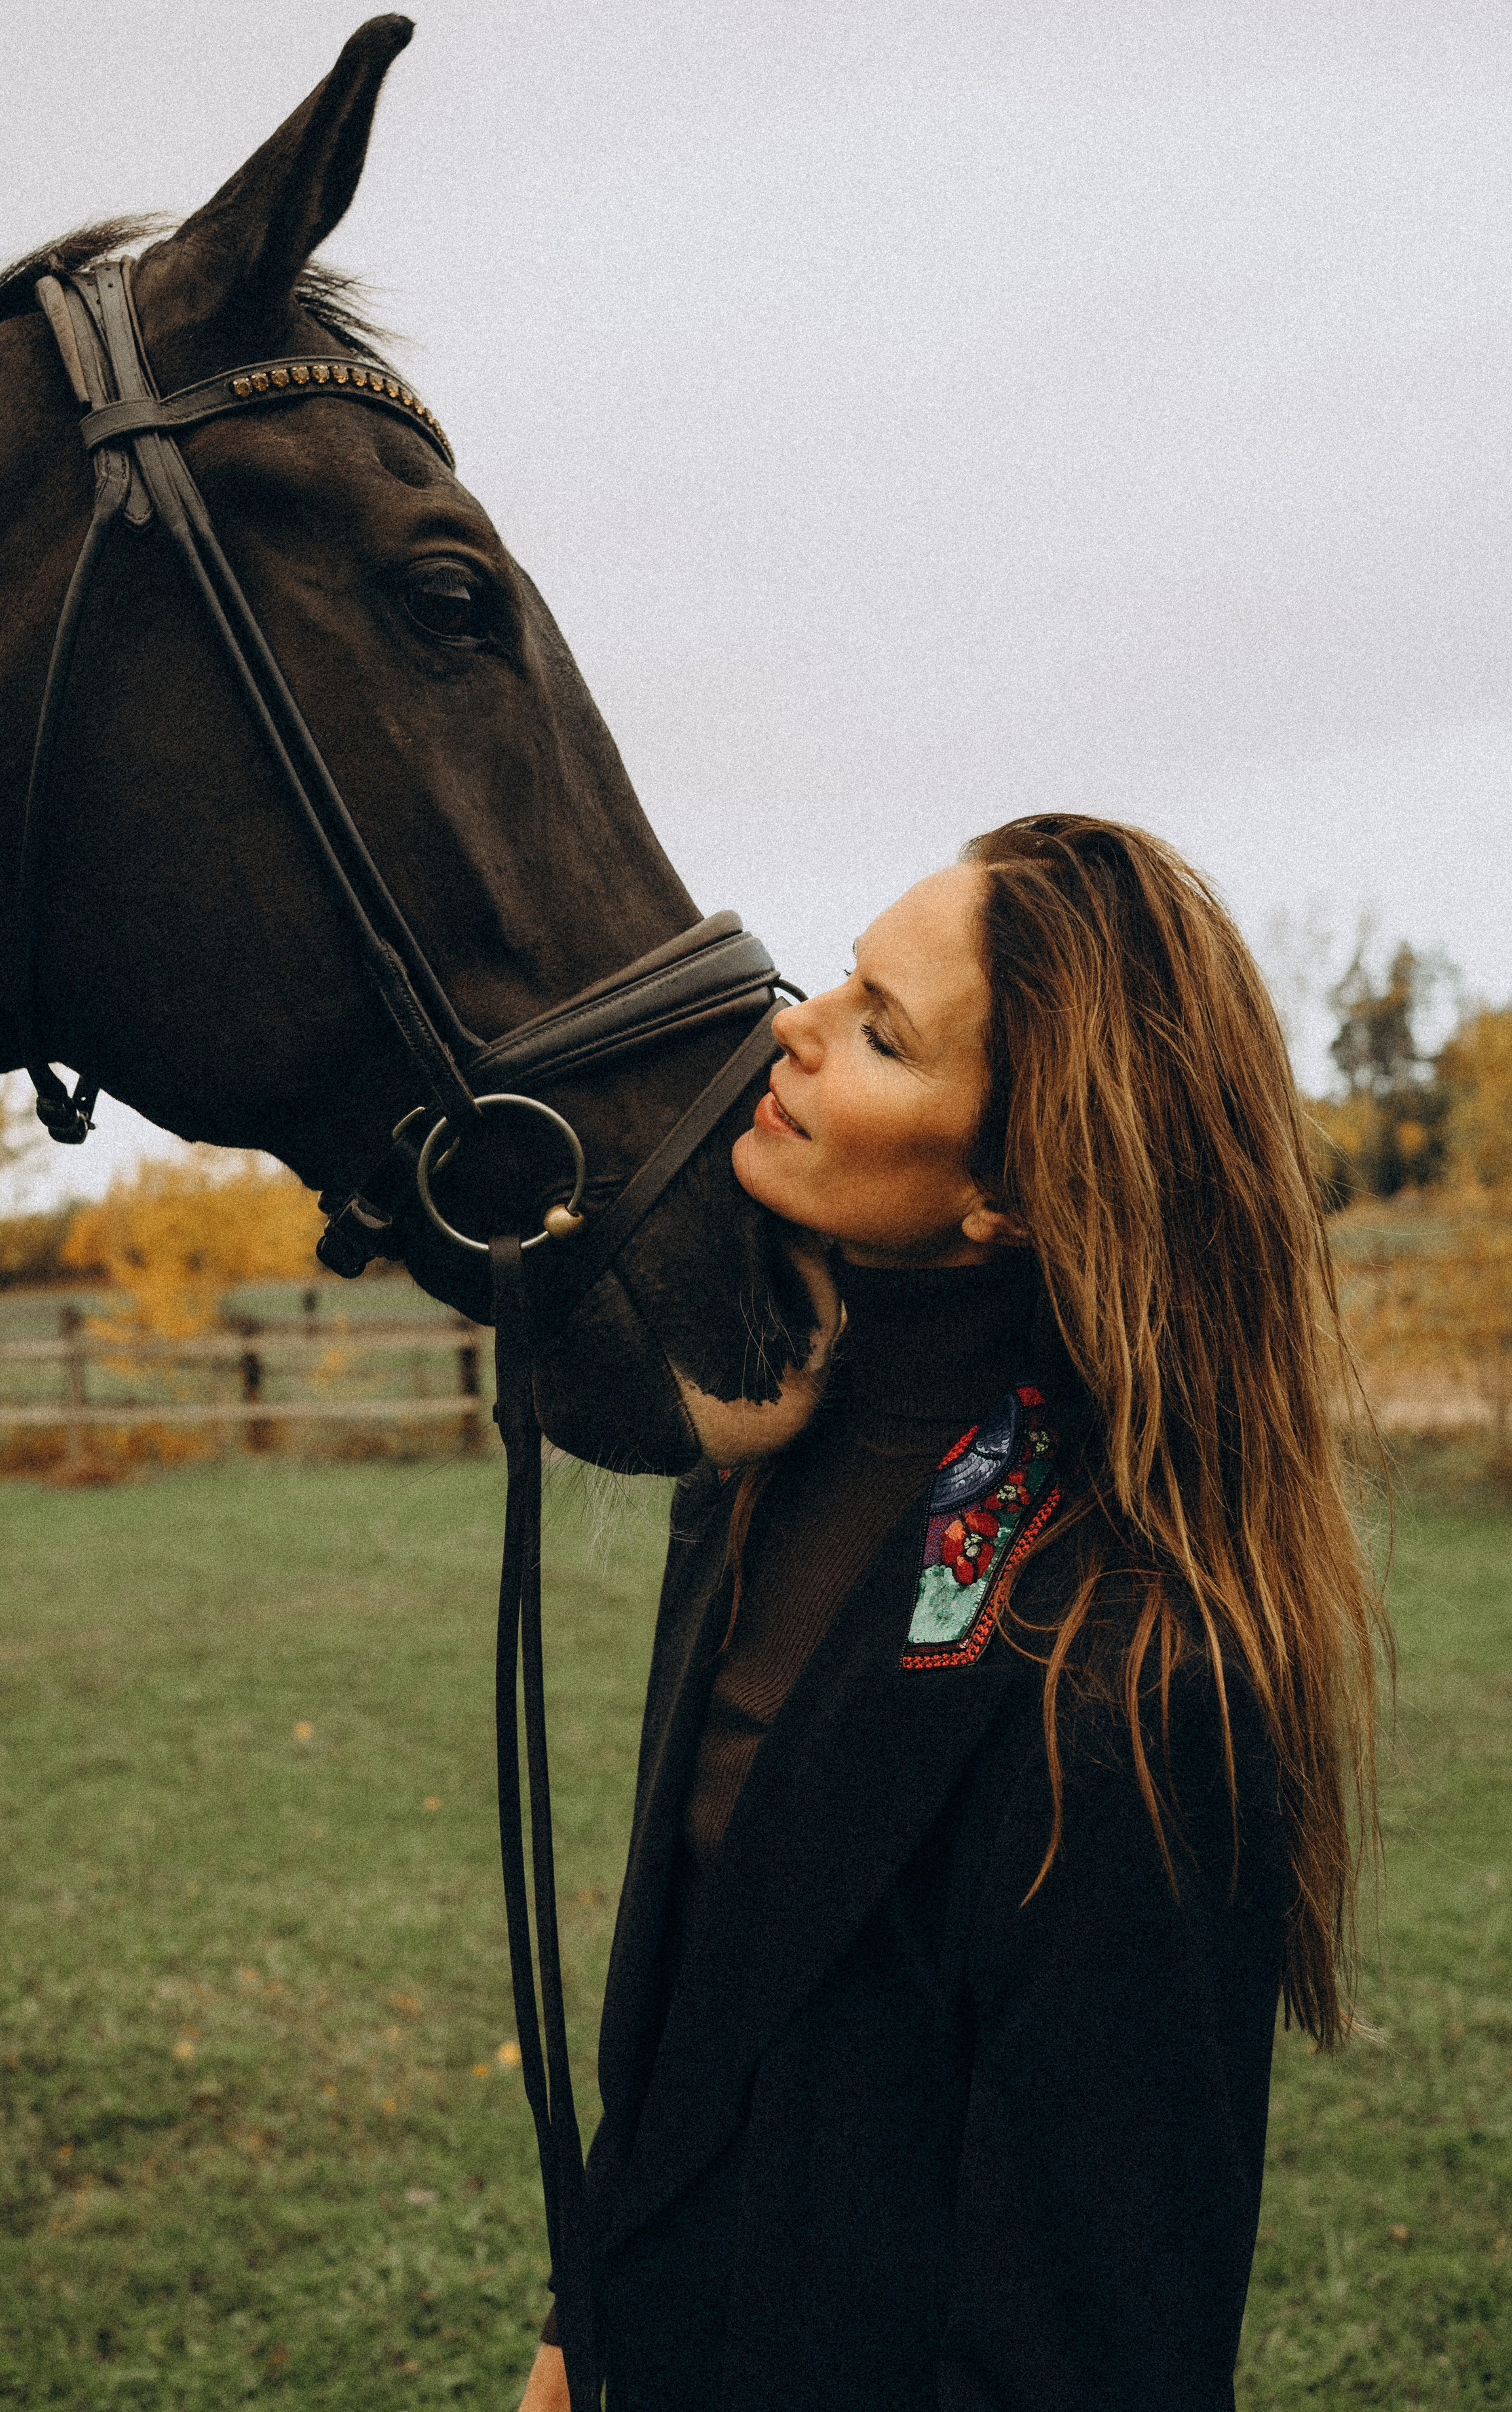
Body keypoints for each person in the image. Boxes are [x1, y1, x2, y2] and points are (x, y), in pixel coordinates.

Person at [518, 814, 1386, 2411]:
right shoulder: (751, 1466)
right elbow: (700, 2000)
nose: (788, 1025)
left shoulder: (1135, 1670)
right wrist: (583, 2328)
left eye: (878, 1030)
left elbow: (1099, 2334)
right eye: (838, 978)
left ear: (1013, 1188)